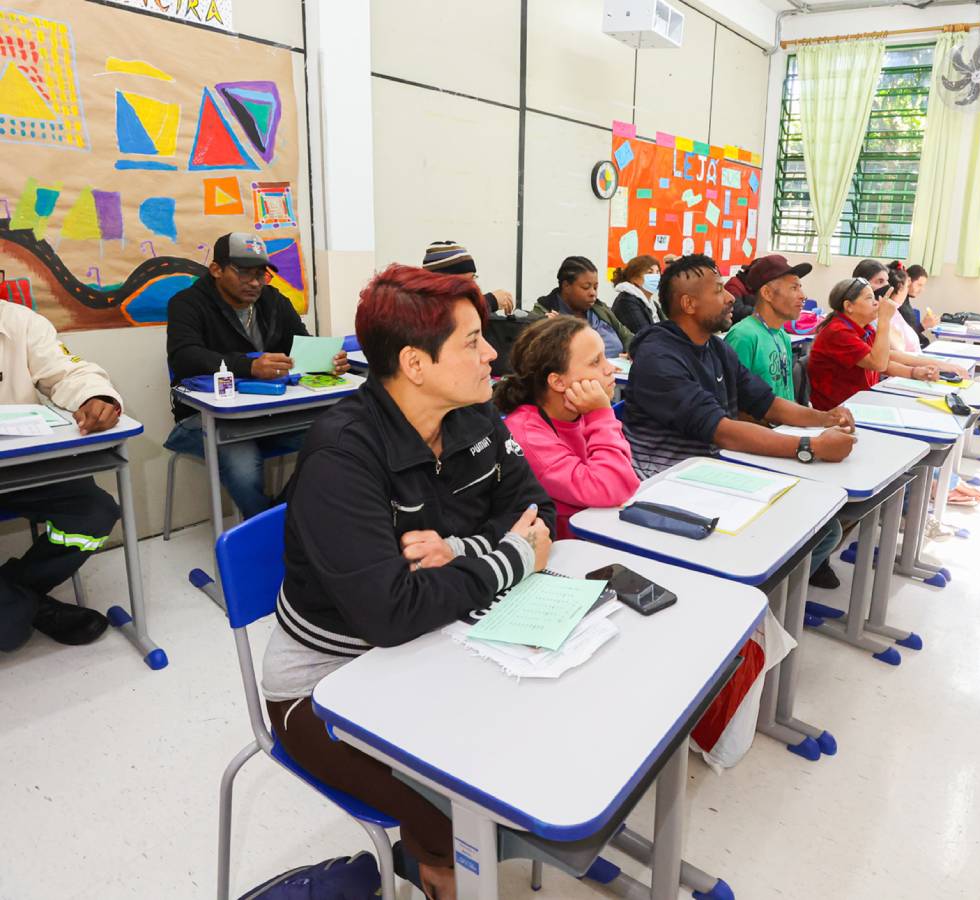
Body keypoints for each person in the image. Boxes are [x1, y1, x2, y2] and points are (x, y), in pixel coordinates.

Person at [263, 265, 556, 900]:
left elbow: (540, 514)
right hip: (327, 686)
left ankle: (431, 860)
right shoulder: (343, 455)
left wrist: (462, 549)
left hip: (442, 642)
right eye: (473, 341)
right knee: (460, 822)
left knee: (537, 751)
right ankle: (436, 865)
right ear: (414, 365)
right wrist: (513, 558)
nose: (491, 355)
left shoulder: (473, 417)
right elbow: (391, 614)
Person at [623, 254, 858, 588]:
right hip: (666, 481)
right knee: (801, 525)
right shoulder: (659, 358)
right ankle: (751, 604)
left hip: (711, 467)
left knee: (823, 525)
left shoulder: (715, 349)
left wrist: (824, 418)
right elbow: (722, 431)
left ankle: (771, 606)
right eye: (719, 290)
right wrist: (810, 446)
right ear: (689, 303)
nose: (732, 296)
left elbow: (767, 403)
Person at [165, 233, 349, 518]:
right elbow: (185, 357)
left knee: (337, 439)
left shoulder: (273, 300)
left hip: (270, 413)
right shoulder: (187, 303)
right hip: (205, 419)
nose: (254, 282)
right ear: (216, 270)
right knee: (242, 464)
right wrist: (248, 366)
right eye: (243, 273)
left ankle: (283, 515)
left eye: (260, 274)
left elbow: (301, 344)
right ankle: (268, 531)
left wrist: (326, 361)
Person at [0, 305, 123, 652]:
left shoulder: (18, 321)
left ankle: (18, 593)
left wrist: (94, 396)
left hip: (20, 463)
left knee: (95, 512)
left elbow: (68, 371)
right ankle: (29, 604)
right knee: (9, 635)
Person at [495, 317, 639, 538]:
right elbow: (614, 486)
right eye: (595, 362)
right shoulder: (529, 437)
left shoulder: (577, 413)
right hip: (566, 554)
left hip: (598, 534)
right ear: (558, 382)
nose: (611, 369)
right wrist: (600, 415)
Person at [808, 277, 964, 411]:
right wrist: (884, 320)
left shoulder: (864, 328)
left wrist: (915, 372)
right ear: (849, 306)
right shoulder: (838, 332)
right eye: (870, 298)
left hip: (860, 402)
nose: (876, 303)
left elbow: (886, 357)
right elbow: (879, 364)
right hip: (838, 411)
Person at [725, 255, 812, 403]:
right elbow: (731, 402)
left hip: (784, 424)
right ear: (767, 293)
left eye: (800, 288)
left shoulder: (782, 335)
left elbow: (787, 394)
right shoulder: (743, 336)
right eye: (794, 288)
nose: (803, 296)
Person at [528, 256, 633, 355]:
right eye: (586, 287)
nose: (593, 293)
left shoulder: (600, 309)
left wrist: (632, 353)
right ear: (566, 286)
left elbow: (628, 338)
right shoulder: (544, 315)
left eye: (595, 287)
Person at [420, 240, 516, 314]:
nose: (473, 286)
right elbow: (450, 317)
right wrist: (490, 301)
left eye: (473, 278)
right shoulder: (422, 310)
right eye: (465, 282)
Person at [610, 255, 664, 335]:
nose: (656, 277)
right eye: (650, 272)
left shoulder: (652, 304)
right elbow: (645, 336)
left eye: (657, 272)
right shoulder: (626, 302)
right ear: (634, 278)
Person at [900, 262, 932, 348]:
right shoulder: (900, 305)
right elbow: (905, 337)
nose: (921, 290)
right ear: (909, 281)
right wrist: (923, 326)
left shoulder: (906, 302)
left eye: (923, 286)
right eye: (919, 285)